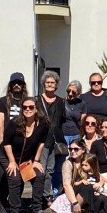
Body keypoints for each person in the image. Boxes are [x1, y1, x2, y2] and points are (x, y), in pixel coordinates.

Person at [0, 97, 49, 213]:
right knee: (15, 176)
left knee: (39, 175)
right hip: (8, 156)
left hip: (26, 159)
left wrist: (36, 161)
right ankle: (15, 210)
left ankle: (37, 207)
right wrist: (11, 162)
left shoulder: (43, 124)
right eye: (25, 107)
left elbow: (42, 143)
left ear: (36, 109)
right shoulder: (15, 122)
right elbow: (6, 143)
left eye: (31, 107)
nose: (28, 109)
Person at [0, 72, 28, 213]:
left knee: (19, 174)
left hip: (22, 144)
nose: (17, 85)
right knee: (2, 175)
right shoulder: (3, 101)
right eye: (14, 83)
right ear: (10, 85)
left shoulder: (27, 102)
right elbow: (1, 121)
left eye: (19, 83)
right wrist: (1, 140)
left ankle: (15, 201)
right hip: (7, 143)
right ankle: (1, 204)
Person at [36, 71, 65, 202]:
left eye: (52, 82)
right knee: (41, 170)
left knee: (51, 170)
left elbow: (62, 120)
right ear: (43, 84)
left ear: (57, 85)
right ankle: (42, 196)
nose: (50, 84)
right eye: (47, 82)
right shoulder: (37, 100)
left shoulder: (60, 101)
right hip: (41, 140)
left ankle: (48, 195)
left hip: (55, 140)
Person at [50, 138, 89, 213]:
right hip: (72, 193)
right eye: (70, 149)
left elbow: (96, 174)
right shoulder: (67, 164)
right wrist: (75, 203)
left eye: (76, 149)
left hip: (86, 192)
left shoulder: (87, 161)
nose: (72, 151)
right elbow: (66, 185)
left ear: (82, 150)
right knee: (85, 187)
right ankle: (74, 212)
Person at [61, 80, 87, 145]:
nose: (70, 94)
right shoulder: (61, 102)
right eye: (68, 91)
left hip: (76, 135)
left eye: (73, 92)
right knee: (65, 154)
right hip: (63, 135)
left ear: (78, 92)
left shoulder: (82, 103)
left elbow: (82, 121)